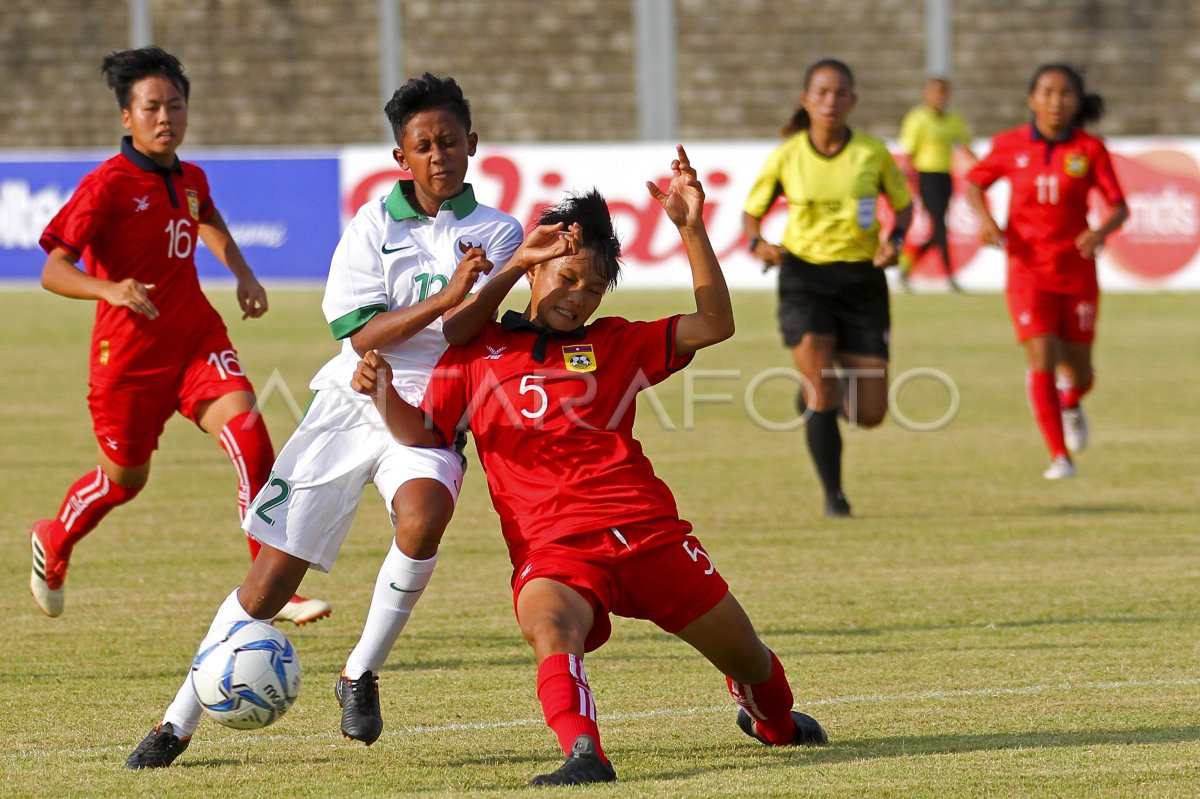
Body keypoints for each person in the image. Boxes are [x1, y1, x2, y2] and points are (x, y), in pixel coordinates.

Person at [123, 71, 576, 769]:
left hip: (430, 407)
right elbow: (361, 335)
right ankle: (176, 722)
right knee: (270, 583)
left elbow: (466, 335)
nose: (437, 155)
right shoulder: (373, 222)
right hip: (349, 398)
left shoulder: (498, 230)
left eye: (448, 140)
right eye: (422, 144)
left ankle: (358, 672)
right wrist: (451, 295)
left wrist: (499, 277)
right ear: (401, 158)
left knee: (423, 516)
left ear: (472, 143)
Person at [351, 146, 829, 787]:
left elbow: (716, 323)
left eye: (593, 288)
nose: (577, 298)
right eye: (566, 278)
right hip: (554, 551)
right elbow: (424, 435)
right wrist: (382, 392)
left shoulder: (613, 344)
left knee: (753, 665)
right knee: (549, 624)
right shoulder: (477, 354)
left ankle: (768, 719)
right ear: (534, 269)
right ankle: (584, 753)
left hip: (651, 537)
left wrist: (690, 228)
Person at [30, 46, 329, 626]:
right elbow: (53, 268)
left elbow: (207, 218)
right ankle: (55, 536)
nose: (165, 117)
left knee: (252, 440)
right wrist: (109, 288)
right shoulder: (106, 186)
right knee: (123, 483)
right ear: (127, 118)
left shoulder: (191, 177)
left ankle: (271, 588)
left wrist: (241, 272)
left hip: (195, 339)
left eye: (175, 104)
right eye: (151, 107)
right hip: (128, 361)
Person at [742, 58, 913, 517]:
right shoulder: (786, 155)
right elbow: (751, 213)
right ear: (806, 100)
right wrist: (759, 243)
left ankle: (814, 397)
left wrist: (894, 243)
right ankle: (835, 497)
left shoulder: (873, 155)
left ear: (853, 101)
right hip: (804, 277)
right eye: (821, 92)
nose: (830, 101)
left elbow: (903, 206)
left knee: (870, 413)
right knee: (823, 385)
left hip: (861, 281)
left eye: (840, 93)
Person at [964, 63, 1127, 480]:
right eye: (1047, 92)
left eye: (1065, 93)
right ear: (1031, 99)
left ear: (1077, 100)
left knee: (1081, 371)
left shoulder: (1090, 150)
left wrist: (1100, 230)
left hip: (1076, 272)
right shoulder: (1009, 145)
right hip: (1027, 270)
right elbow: (973, 183)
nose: (1056, 101)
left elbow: (1120, 205)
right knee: (1041, 356)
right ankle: (1060, 457)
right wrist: (984, 219)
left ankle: (1070, 401)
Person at [897, 77, 976, 292]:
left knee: (938, 229)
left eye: (943, 92)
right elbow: (908, 153)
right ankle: (950, 276)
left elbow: (964, 145)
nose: (939, 96)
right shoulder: (918, 118)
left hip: (944, 176)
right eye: (935, 91)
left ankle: (905, 268)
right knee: (939, 226)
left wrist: (981, 167)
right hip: (926, 176)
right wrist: (907, 179)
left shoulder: (953, 120)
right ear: (926, 94)